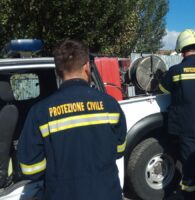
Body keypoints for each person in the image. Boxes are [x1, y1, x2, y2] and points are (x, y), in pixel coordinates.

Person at [17, 40, 127, 200]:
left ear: (58, 71)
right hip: (107, 194)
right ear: (86, 67)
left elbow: (30, 169)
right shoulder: (110, 104)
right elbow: (119, 150)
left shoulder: (39, 112)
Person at [159, 29, 195, 200]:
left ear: (181, 49)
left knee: (188, 165)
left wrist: (162, 76)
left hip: (187, 126)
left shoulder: (176, 71)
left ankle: (190, 194)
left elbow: (163, 89)